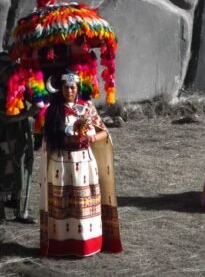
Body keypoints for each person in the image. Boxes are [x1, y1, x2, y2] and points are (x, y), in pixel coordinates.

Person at [40, 71, 122, 257]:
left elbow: (105, 133)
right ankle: (62, 246)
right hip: (61, 163)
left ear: (77, 89)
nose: (69, 90)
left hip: (84, 162)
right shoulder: (54, 110)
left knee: (83, 203)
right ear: (61, 89)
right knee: (62, 204)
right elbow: (48, 138)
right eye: (66, 87)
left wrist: (93, 136)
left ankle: (86, 244)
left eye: (72, 87)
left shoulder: (87, 108)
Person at [0, 52, 37, 224]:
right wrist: (28, 114)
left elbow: (30, 96)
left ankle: (21, 210)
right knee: (4, 168)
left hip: (21, 132)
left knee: (25, 165)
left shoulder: (18, 81)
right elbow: (5, 118)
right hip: (4, 135)